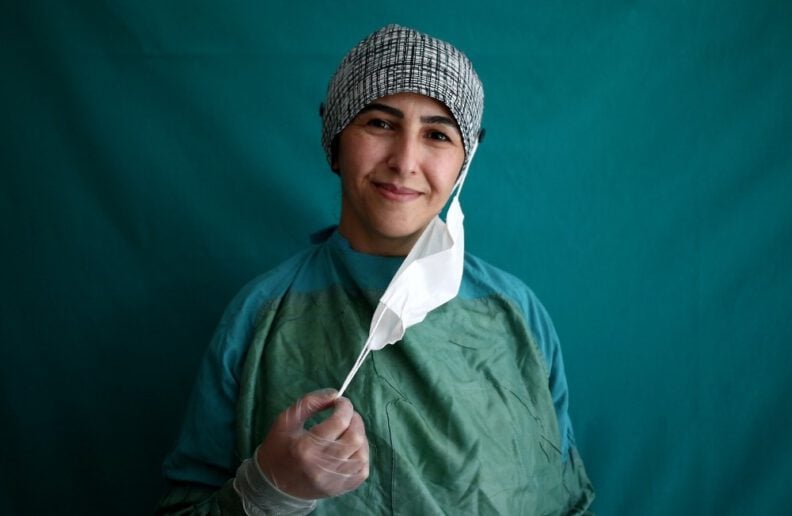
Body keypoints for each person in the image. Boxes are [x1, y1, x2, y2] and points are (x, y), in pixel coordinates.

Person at [156, 24, 595, 515]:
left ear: (465, 159)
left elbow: (566, 502)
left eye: (437, 134)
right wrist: (265, 491)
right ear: (335, 139)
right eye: (380, 124)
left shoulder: (517, 316)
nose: (405, 161)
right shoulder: (259, 316)